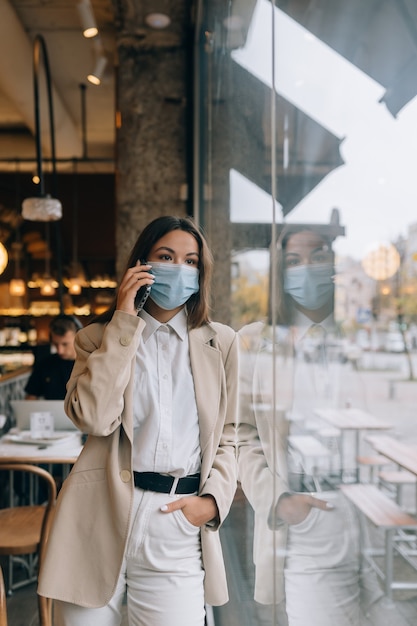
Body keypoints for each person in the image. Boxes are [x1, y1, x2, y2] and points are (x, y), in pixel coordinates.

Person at [38, 215, 239, 626]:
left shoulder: (222, 344)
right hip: (97, 514)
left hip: (176, 521)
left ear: (201, 273)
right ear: (141, 264)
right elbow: (92, 418)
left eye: (191, 260)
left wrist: (211, 502)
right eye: (166, 256)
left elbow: (232, 436)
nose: (179, 268)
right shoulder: (97, 337)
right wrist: (124, 322)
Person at [237, 213, 383, 625]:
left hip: (371, 513)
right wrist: (279, 499)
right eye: (294, 261)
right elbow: (240, 436)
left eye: (318, 257)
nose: (307, 269)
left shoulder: (354, 339)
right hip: (309, 516)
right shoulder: (255, 342)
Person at [25, 315, 81, 400]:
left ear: (79, 338)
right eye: (55, 344)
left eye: (65, 344)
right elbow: (30, 397)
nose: (60, 351)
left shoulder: (90, 365)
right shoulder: (44, 365)